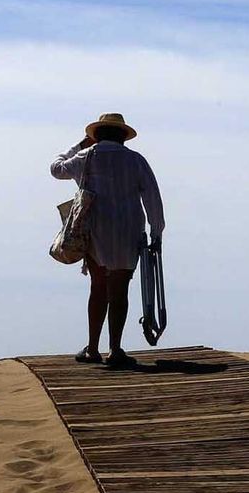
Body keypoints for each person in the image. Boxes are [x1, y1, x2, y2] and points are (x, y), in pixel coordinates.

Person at [50, 113, 164, 367]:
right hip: (128, 230)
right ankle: (115, 349)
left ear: (96, 136)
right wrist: (157, 232)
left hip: (96, 229)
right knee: (120, 290)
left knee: (98, 287)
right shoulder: (136, 161)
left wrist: (79, 145)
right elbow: (152, 199)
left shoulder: (86, 156)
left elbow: (55, 169)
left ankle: (92, 348)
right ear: (123, 136)